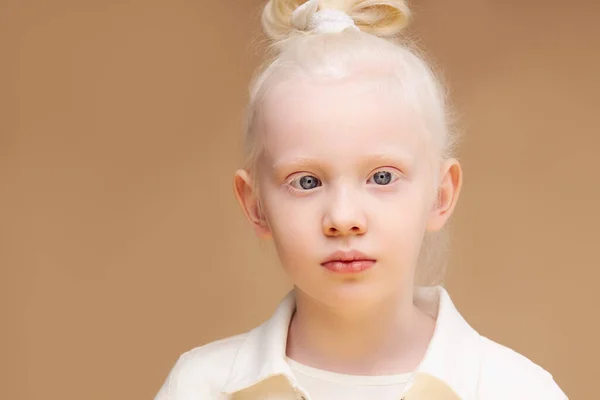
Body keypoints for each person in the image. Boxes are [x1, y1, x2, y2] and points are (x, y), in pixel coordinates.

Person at [154, 0, 567, 398]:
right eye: (307, 182)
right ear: (255, 204)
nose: (344, 218)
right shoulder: (199, 386)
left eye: (382, 177)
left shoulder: (518, 390)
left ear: (441, 196)